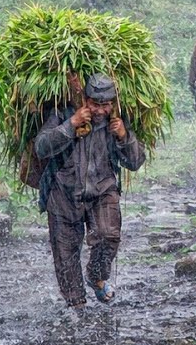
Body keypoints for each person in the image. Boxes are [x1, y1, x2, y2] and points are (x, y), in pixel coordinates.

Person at [35, 73, 145, 310]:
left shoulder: (117, 121)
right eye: (95, 104)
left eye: (106, 105)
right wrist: (71, 124)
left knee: (108, 235)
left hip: (103, 190)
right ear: (84, 99)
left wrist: (124, 136)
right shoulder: (62, 113)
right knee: (65, 253)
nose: (100, 111)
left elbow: (136, 162)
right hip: (63, 192)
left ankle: (96, 276)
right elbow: (41, 148)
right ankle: (76, 305)